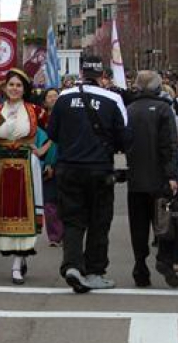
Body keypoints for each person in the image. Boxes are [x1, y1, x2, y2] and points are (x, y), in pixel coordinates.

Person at [47, 56, 130, 293]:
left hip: (69, 166)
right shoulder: (113, 98)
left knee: (72, 220)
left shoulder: (64, 97)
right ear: (102, 74)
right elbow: (125, 137)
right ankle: (94, 270)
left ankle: (72, 264)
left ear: (81, 72)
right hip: (99, 168)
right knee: (99, 221)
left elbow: (52, 133)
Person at [0, 70, 43, 285]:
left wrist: (44, 151)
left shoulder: (35, 110)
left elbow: (56, 130)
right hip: (1, 166)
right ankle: (17, 255)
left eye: (18, 85)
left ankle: (17, 264)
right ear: (5, 88)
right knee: (5, 210)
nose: (14, 88)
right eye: (11, 85)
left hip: (27, 166)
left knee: (24, 211)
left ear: (24, 89)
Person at [125, 71, 178, 288]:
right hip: (159, 179)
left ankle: (140, 266)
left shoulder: (129, 110)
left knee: (138, 226)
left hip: (136, 178)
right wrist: (172, 175)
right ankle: (164, 259)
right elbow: (169, 145)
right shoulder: (164, 110)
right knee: (165, 221)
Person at [38, 88, 63, 247]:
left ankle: (67, 231)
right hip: (46, 161)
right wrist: (47, 162)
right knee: (50, 201)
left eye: (56, 96)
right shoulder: (40, 119)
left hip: (65, 161)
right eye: (50, 96)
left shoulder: (67, 115)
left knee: (65, 199)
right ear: (45, 100)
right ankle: (54, 235)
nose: (53, 99)